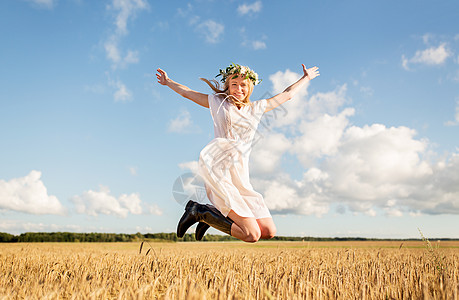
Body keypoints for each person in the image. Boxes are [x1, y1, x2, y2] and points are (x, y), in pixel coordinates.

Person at [156, 63, 319, 243]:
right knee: (251, 235)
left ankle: (212, 215)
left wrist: (306, 78)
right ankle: (201, 213)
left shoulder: (256, 108)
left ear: (249, 87)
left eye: (243, 85)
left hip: (240, 171)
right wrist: (168, 82)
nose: (238, 88)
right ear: (227, 86)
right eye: (234, 84)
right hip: (219, 167)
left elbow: (287, 94)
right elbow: (187, 92)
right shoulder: (218, 102)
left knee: (268, 231)